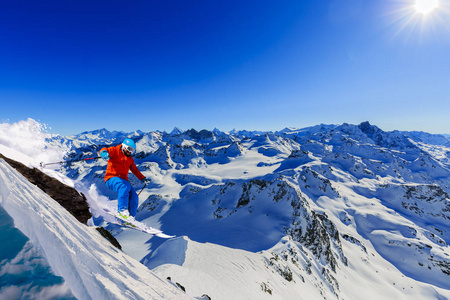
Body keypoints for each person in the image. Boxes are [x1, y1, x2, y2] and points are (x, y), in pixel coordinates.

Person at [99, 138, 148, 221]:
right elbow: (104, 149)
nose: (130, 152)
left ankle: (130, 217)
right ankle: (122, 211)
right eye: (129, 149)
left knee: (134, 196)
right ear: (124, 146)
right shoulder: (115, 151)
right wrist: (104, 153)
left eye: (132, 150)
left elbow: (134, 170)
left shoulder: (130, 159)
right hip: (111, 178)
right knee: (124, 187)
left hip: (123, 181)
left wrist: (142, 178)